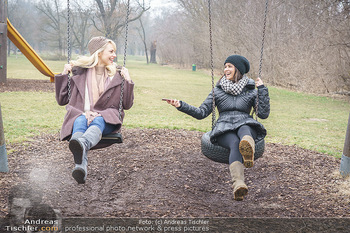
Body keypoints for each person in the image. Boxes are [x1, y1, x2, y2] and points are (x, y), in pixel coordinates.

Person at [164, 55, 270, 201]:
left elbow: (263, 114)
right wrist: (180, 105)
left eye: (230, 66)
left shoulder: (251, 89)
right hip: (224, 127)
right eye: (225, 66)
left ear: (238, 69)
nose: (226, 69)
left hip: (245, 123)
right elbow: (201, 113)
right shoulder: (218, 91)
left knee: (245, 130)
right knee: (234, 144)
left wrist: (262, 89)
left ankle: (248, 150)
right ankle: (239, 184)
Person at [55, 36, 134, 184]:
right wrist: (64, 74)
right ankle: (81, 167)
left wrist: (128, 79)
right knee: (79, 118)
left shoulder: (116, 75)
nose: (114, 55)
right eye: (111, 51)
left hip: (107, 119)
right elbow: (62, 100)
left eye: (115, 52)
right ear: (99, 53)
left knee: (98, 119)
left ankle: (82, 143)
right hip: (82, 117)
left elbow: (127, 104)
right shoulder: (79, 74)